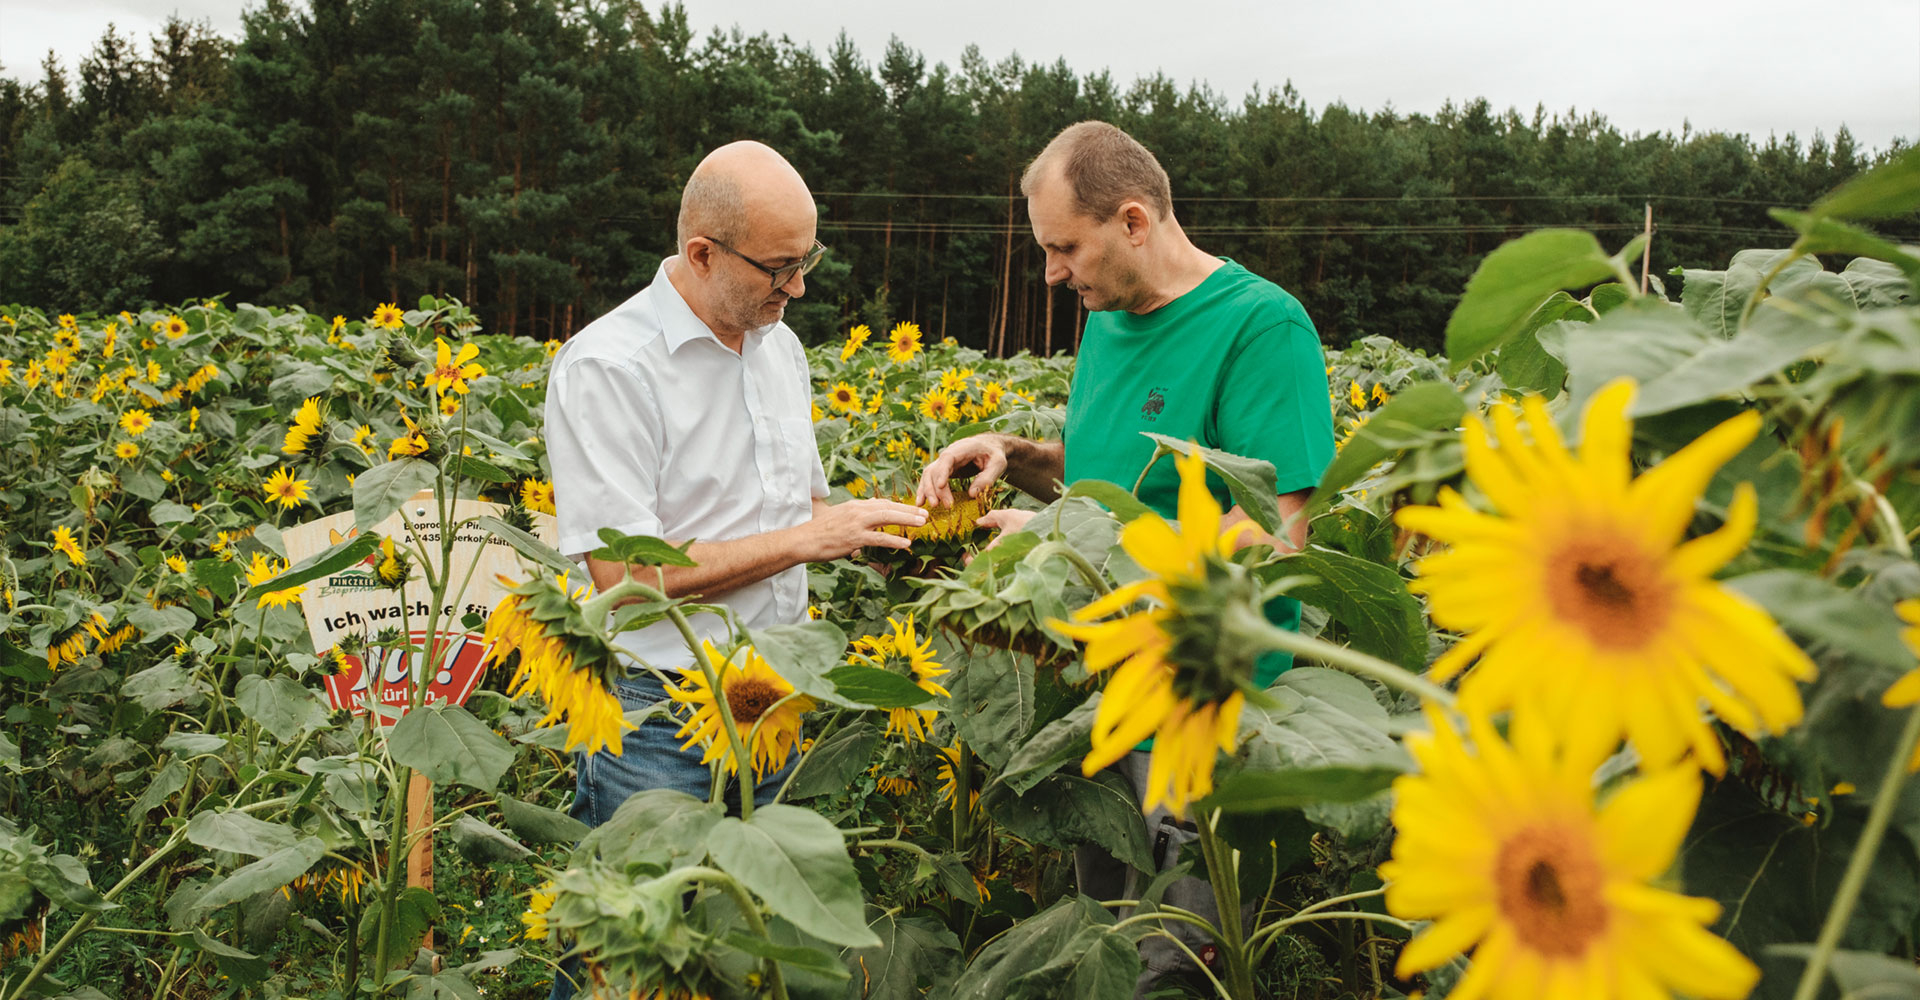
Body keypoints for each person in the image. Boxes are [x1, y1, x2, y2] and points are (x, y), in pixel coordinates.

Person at [915, 121, 1335, 995]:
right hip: (1102, 683)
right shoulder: (1107, 320)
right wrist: (1013, 456)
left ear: (1134, 222)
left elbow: (1276, 540)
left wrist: (1064, 542)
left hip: (1203, 702)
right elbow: (1105, 479)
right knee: (1108, 935)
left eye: (1064, 247)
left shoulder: (1260, 327)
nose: (1052, 273)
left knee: (1175, 961)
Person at [544, 140, 926, 999]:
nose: (797, 289)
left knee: (745, 954)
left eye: (807, 262)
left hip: (770, 697)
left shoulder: (777, 346)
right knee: (634, 951)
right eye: (780, 268)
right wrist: (803, 541)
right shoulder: (610, 367)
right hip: (658, 717)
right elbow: (626, 584)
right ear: (702, 253)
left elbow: (804, 513)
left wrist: (902, 526)